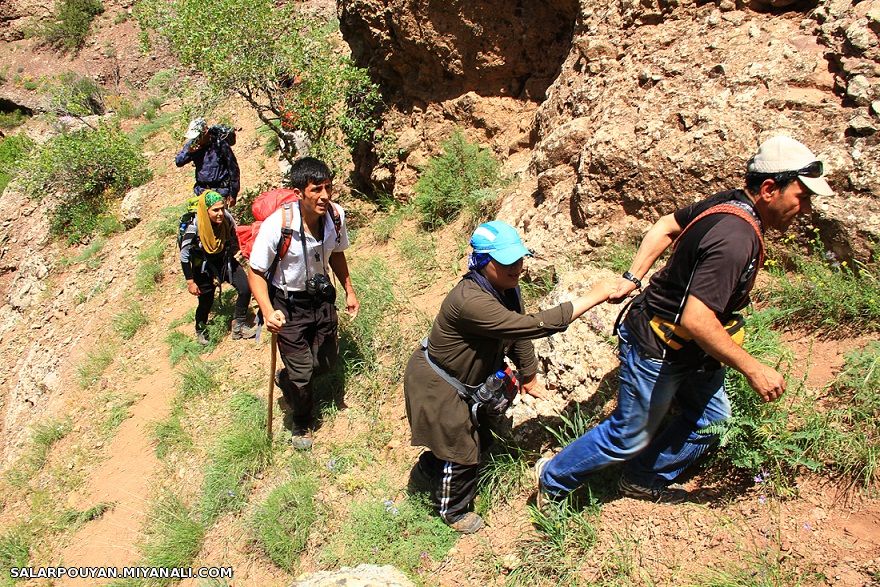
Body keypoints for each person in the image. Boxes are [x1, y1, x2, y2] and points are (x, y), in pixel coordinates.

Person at [537, 135, 835, 504]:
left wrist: (634, 276)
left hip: (690, 351)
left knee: (712, 420)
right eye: (801, 197)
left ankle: (643, 477)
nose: (805, 209)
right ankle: (553, 479)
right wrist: (754, 369)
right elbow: (697, 318)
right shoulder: (736, 237)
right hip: (657, 347)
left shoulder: (731, 204)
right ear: (771, 188)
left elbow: (666, 225)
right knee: (628, 434)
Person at [404, 220, 616, 533]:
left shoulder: (505, 288)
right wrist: (593, 297)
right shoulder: (470, 301)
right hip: (438, 386)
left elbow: (516, 335)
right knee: (463, 451)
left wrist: (529, 375)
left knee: (475, 438)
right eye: (506, 262)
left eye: (518, 259)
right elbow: (530, 326)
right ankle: (453, 511)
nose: (516, 267)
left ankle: (428, 470)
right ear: (482, 262)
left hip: (464, 384)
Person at [247, 157, 360, 450]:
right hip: (288, 306)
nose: (324, 196)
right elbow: (256, 272)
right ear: (299, 193)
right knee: (302, 374)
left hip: (322, 300)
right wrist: (268, 311)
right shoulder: (278, 226)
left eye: (328, 188)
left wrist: (349, 290)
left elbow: (336, 253)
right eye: (316, 189)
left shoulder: (336, 216)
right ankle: (301, 421)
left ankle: (286, 378)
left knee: (325, 362)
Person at [179, 190, 256, 345]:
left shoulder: (227, 218)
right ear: (205, 211)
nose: (220, 213)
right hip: (204, 268)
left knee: (245, 288)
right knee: (206, 301)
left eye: (222, 208)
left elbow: (233, 234)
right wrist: (190, 282)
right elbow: (184, 256)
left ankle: (239, 325)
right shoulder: (194, 228)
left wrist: (237, 253)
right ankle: (200, 329)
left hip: (225, 261)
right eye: (215, 210)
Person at [175, 118, 241, 207]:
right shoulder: (193, 145)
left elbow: (233, 168)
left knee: (220, 218)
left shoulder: (219, 144)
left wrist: (233, 193)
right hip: (202, 192)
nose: (197, 139)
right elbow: (179, 162)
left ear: (205, 132)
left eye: (199, 136)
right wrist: (189, 152)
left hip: (220, 192)